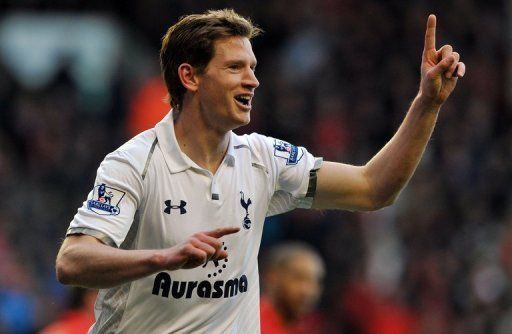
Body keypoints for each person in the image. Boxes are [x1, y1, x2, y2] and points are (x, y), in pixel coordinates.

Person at [55, 9, 465, 333]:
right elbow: (72, 262)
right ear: (190, 76)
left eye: (252, 68)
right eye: (235, 68)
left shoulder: (264, 159)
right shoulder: (134, 163)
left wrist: (427, 103)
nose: (252, 80)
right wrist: (163, 258)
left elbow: (373, 188)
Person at [260, 242, 326, 334]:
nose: (308, 291)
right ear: (272, 277)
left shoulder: (310, 327)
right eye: (298, 278)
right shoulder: (252, 322)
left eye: (315, 281)